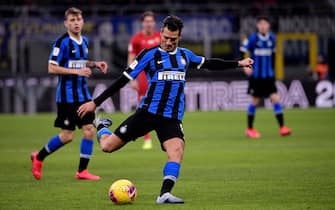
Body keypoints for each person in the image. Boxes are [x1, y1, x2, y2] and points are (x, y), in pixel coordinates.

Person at [77, 15, 253, 204]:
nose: (168, 42)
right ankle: (101, 125)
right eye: (166, 37)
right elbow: (123, 80)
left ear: (179, 37)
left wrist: (238, 63)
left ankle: (164, 194)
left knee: (176, 150)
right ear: (161, 33)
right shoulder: (148, 55)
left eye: (173, 39)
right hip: (147, 113)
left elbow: (210, 63)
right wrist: (95, 102)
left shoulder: (185, 55)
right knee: (107, 147)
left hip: (171, 117)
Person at [30, 7, 108, 180]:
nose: (76, 22)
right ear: (66, 23)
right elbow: (51, 67)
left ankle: (82, 171)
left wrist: (95, 64)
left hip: (83, 96)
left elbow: (80, 62)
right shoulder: (61, 42)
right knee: (67, 136)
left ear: (82, 21)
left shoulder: (85, 41)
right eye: (72, 20)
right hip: (67, 97)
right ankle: (39, 157)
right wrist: (78, 72)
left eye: (78, 19)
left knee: (89, 130)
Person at [240, 16, 291, 138]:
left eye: (265, 24)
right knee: (255, 101)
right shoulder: (253, 38)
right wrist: (244, 66)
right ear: (257, 26)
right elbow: (242, 50)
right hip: (256, 76)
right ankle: (250, 129)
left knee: (275, 98)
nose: (263, 26)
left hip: (268, 76)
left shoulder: (272, 38)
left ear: (268, 25)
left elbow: (273, 56)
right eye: (261, 24)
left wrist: (273, 71)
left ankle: (282, 127)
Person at [127, 11, 161, 150]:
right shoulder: (136, 39)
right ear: (142, 23)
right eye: (146, 21)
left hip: (159, 75)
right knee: (143, 105)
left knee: (160, 104)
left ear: (154, 23)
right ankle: (147, 138)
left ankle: (162, 134)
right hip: (143, 76)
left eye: (151, 21)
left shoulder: (160, 37)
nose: (148, 23)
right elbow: (131, 58)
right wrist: (131, 78)